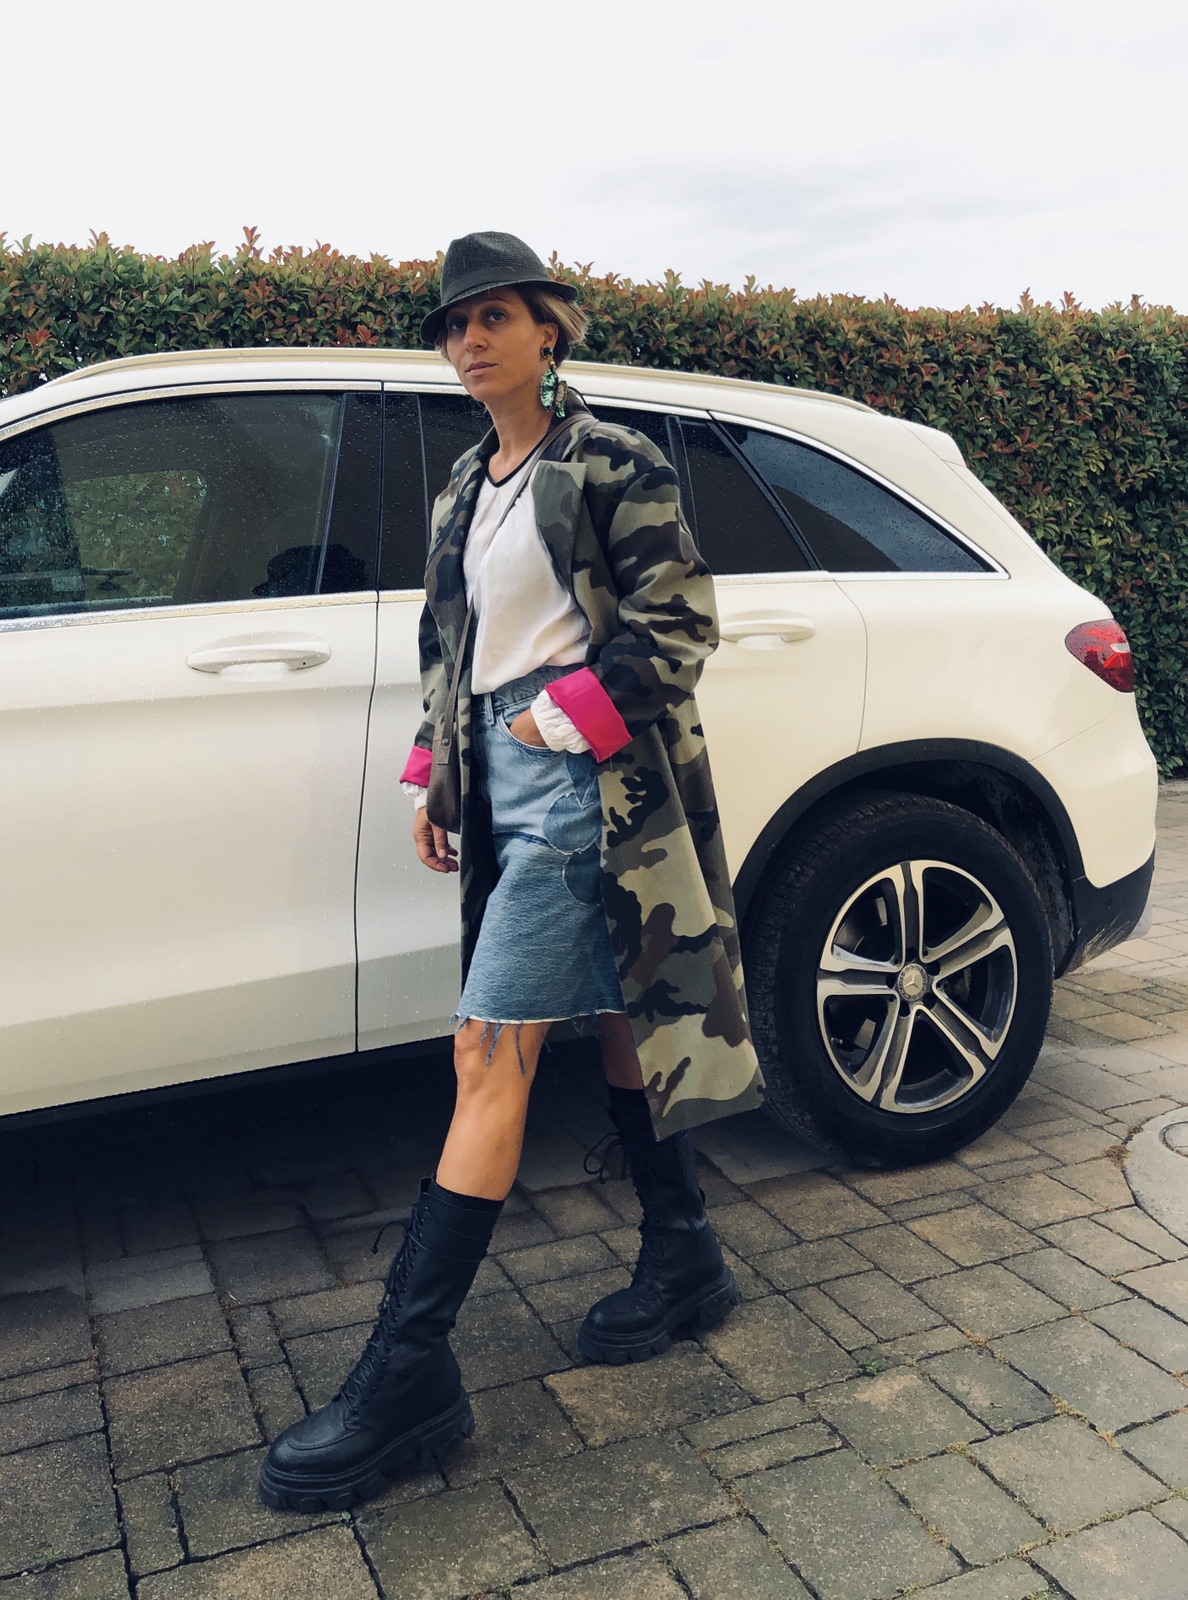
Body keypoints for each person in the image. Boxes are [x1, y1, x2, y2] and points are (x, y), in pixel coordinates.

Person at [259, 231, 763, 1512]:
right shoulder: (462, 486)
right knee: (612, 1010)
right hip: (498, 779)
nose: (470, 340)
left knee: (487, 1051)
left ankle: (410, 1372)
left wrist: (562, 716)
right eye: (453, 324)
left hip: (588, 787)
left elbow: (681, 622)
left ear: (550, 328)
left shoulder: (611, 460)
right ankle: (686, 1254)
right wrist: (436, 771)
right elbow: (454, 644)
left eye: (494, 316)